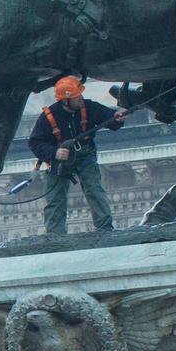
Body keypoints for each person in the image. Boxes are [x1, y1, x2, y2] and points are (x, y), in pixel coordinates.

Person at [27, 75, 126, 235]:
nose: (81, 98)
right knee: (55, 199)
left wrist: (118, 118)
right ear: (65, 101)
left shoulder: (89, 108)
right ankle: (55, 235)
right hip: (59, 163)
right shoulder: (48, 117)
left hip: (85, 158)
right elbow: (35, 143)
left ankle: (105, 228)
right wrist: (55, 152)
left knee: (94, 189)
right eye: (77, 96)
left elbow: (109, 118)